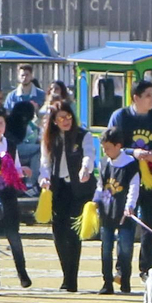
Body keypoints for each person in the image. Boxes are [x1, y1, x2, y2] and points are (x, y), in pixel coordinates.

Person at [106, 80, 152, 279]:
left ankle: (146, 268)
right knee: (125, 223)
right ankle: (122, 268)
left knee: (150, 223)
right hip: (126, 176)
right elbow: (110, 146)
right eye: (147, 95)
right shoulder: (120, 116)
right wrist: (132, 152)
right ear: (135, 98)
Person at [82, 131, 140, 294]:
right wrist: (96, 201)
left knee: (126, 248)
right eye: (103, 148)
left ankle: (125, 280)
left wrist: (130, 205)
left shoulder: (130, 165)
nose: (105, 151)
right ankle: (107, 282)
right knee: (106, 247)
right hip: (107, 211)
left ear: (118, 146)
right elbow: (101, 185)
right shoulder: (104, 163)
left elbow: (134, 187)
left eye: (108, 148)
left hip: (124, 212)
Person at [41, 104, 92, 292]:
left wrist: (85, 169)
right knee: (59, 233)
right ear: (54, 120)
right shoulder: (50, 138)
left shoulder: (82, 135)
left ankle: (72, 278)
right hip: (58, 188)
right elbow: (45, 162)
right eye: (61, 118)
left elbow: (88, 155)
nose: (66, 121)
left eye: (68, 116)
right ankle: (65, 273)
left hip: (78, 189)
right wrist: (44, 177)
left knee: (73, 233)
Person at [0, 110, 31, 290]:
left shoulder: (10, 145)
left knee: (14, 235)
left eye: (0, 123)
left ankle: (22, 273)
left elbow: (17, 169)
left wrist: (22, 171)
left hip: (9, 195)